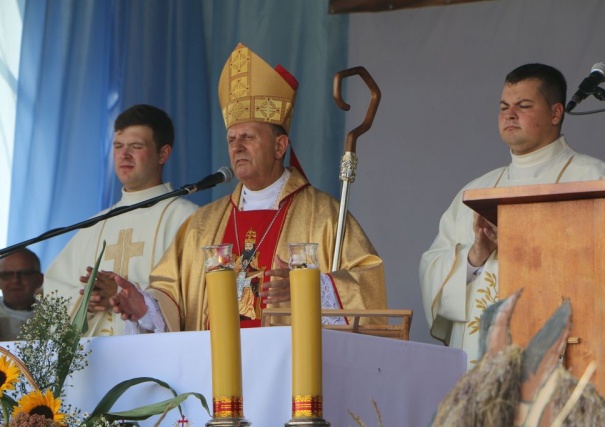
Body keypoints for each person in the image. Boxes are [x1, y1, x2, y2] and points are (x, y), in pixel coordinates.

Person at [109, 43, 387, 333]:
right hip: (214, 360)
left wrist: (309, 291)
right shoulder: (202, 225)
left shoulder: (324, 216)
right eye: (231, 139)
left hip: (288, 359)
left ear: (279, 146)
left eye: (248, 137)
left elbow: (369, 288)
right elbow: (171, 295)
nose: (237, 147)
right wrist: (145, 308)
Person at [419, 63, 605, 370]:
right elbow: (432, 269)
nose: (509, 115)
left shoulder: (593, 178)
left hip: (561, 364)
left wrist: (523, 248)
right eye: (504, 107)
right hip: (483, 371)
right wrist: (474, 257)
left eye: (523, 106)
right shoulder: (475, 191)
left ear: (555, 113)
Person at [43, 104, 199, 337]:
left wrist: (123, 293)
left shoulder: (188, 219)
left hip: (156, 356)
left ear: (163, 154)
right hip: (96, 357)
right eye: (118, 146)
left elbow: (197, 295)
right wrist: (88, 298)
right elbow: (54, 291)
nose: (124, 155)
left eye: (136, 146)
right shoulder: (95, 225)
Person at [0, 249, 43, 341]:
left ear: (39, 280)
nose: (15, 280)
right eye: (7, 275)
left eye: (24, 274)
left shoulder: (54, 314)